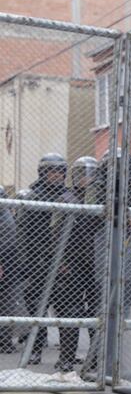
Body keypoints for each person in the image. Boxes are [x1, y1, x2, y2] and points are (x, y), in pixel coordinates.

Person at [18, 153, 69, 365]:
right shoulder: (33, 197)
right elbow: (24, 233)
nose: (56, 175)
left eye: (59, 171)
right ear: (43, 172)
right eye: (51, 171)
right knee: (36, 307)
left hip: (63, 262)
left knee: (65, 308)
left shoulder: (68, 196)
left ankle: (66, 355)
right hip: (39, 260)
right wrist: (27, 264)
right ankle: (35, 349)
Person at [50, 156, 100, 372]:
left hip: (96, 263)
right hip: (71, 263)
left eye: (90, 174)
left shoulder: (99, 200)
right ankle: (67, 357)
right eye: (81, 174)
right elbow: (55, 233)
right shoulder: (66, 199)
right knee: (70, 309)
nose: (85, 178)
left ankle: (95, 357)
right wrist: (60, 260)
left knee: (96, 311)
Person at [0, 186, 19, 353]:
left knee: (6, 299)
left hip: (6, 261)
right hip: (8, 260)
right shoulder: (6, 214)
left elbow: (6, 241)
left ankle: (4, 340)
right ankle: (5, 340)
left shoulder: (4, 216)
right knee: (7, 299)